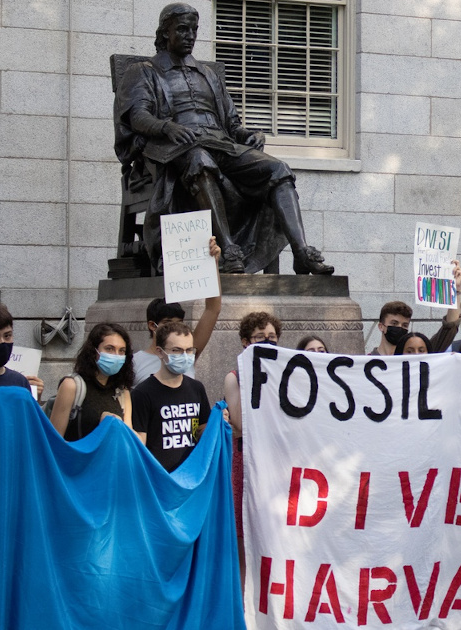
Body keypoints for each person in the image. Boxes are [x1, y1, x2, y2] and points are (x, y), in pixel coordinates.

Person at [115, 3, 333, 275]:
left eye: (194, 30)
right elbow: (138, 117)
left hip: (221, 143)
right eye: (182, 29)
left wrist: (247, 134)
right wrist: (167, 128)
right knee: (199, 160)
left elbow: (231, 123)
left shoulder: (207, 74)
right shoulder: (144, 71)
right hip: (177, 147)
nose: (190, 35)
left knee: (279, 169)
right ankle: (229, 251)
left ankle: (301, 251)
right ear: (164, 33)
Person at [223, 311, 283, 588]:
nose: (268, 342)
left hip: (279, 462)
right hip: (247, 461)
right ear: (246, 343)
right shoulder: (235, 378)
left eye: (272, 337)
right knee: (243, 534)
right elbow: (237, 423)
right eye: (261, 338)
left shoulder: (289, 376)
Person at [132, 239, 222, 385]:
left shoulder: (188, 354)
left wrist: (213, 264)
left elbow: (213, 309)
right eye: (167, 324)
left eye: (179, 324)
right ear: (152, 326)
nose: (174, 329)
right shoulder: (134, 363)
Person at [131, 321, 211, 471]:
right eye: (177, 350)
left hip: (191, 476)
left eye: (189, 350)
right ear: (160, 352)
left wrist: (219, 422)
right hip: (158, 479)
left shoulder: (196, 388)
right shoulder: (142, 393)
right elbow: (139, 445)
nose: (185, 356)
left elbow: (203, 431)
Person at [49, 323, 135, 440]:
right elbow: (54, 440)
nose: (116, 355)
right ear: (94, 351)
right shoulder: (72, 386)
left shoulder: (122, 391)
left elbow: (127, 439)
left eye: (121, 351)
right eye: (109, 349)